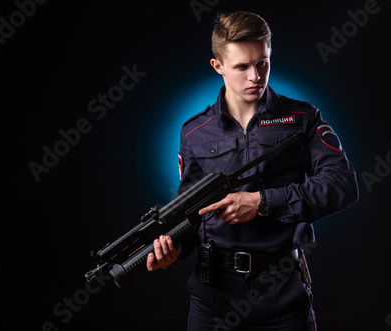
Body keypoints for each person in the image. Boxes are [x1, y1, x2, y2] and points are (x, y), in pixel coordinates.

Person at [146, 11, 359, 330]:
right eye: (242, 66)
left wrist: (261, 202)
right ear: (217, 67)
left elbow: (342, 186)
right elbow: (190, 215)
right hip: (212, 298)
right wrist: (174, 247)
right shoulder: (194, 132)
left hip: (283, 295)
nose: (255, 76)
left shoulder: (302, 119)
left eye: (263, 62)